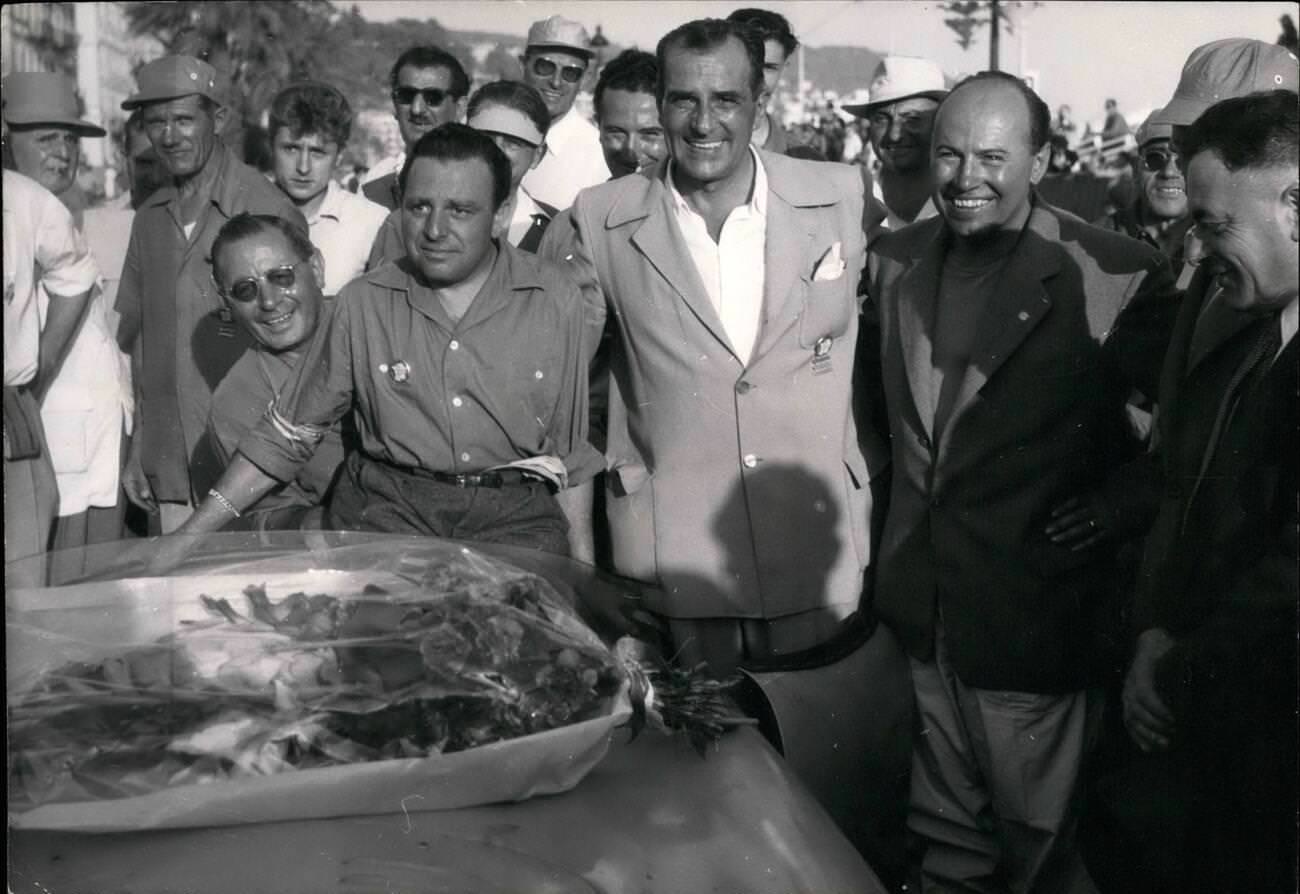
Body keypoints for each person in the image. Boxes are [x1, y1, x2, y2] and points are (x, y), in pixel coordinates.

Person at [549, 18, 911, 881]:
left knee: (830, 803)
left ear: (762, 102)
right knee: (695, 813)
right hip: (674, 564)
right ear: (659, 103)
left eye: (726, 100)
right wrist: (586, 567)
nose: (704, 123)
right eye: (683, 100)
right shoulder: (600, 220)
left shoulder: (842, 195)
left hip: (816, 557)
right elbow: (570, 416)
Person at [865, 70, 1177, 893]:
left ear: (1041, 161)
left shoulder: (1115, 269)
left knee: (1041, 852)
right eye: (950, 155)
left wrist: (1113, 510)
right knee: (945, 849)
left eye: (995, 157)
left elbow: (1185, 444)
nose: (968, 179)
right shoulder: (894, 260)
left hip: (1035, 621)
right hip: (922, 610)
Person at [167, 125, 600, 560]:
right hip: (391, 517)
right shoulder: (364, 303)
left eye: (460, 210)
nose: (434, 229)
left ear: (502, 213)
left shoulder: (554, 297)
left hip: (514, 518)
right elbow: (286, 435)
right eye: (419, 207)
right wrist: (184, 541)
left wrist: (582, 578)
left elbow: (570, 458)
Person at [115, 55, 306, 534]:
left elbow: (304, 344)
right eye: (156, 122)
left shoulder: (264, 207)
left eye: (183, 119)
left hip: (252, 467)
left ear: (217, 119)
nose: (169, 136)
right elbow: (143, 341)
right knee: (179, 601)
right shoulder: (149, 218)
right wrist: (142, 444)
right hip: (172, 465)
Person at [3, 72, 133, 569]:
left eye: (69, 138)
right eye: (45, 138)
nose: (63, 151)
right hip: (47, 444)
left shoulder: (83, 215)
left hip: (101, 439)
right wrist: (39, 370)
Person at [202, 214, 344, 531]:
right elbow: (265, 519)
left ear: (317, 268)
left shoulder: (370, 319)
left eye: (281, 277)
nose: (268, 301)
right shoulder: (235, 402)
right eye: (245, 290)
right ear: (226, 301)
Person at [3, 170, 98, 585]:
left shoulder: (21, 197)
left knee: (22, 583)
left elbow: (74, 271)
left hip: (8, 408)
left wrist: (44, 360)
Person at [268, 82, 389, 297]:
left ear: (339, 156)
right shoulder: (240, 208)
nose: (303, 167)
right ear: (272, 147)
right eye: (291, 149)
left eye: (317, 152)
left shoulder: (372, 221)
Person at [844, 56, 948, 234]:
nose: (894, 135)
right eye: (881, 120)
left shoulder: (958, 204)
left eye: (912, 119)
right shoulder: (854, 199)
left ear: (940, 121)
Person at [361, 46, 469, 211]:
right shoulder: (374, 182)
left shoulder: (476, 180)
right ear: (394, 105)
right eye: (406, 95)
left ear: (459, 108)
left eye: (433, 97)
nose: (417, 109)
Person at [518, 15, 607, 210]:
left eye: (570, 73)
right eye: (545, 67)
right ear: (523, 64)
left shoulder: (599, 156)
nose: (556, 82)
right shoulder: (485, 128)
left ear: (584, 79)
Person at [1095, 111, 1192, 270]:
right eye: (1155, 158)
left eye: (1184, 160)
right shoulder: (1095, 239)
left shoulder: (1222, 245)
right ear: (1135, 169)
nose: (1168, 172)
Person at [725, 8, 800, 155]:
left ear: (783, 69)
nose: (758, 81)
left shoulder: (807, 163)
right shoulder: (676, 154)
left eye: (769, 68)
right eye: (746, 65)